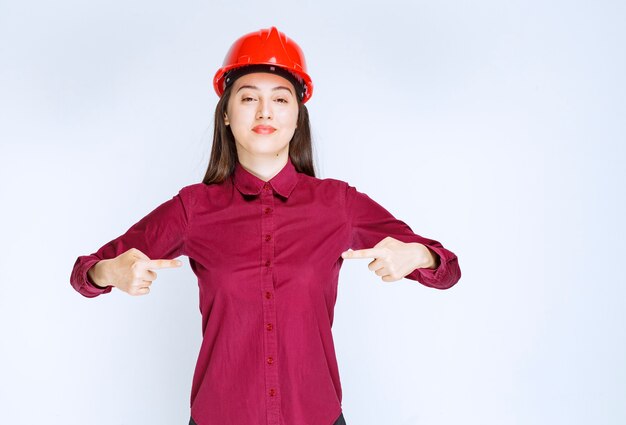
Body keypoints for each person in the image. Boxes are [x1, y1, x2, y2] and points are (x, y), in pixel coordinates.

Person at [70, 26, 461, 425]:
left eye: (279, 99)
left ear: (297, 116)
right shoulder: (194, 208)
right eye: (248, 98)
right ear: (225, 113)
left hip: (316, 416)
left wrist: (418, 255)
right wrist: (107, 272)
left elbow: (447, 269)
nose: (264, 111)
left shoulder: (338, 204)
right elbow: (84, 272)